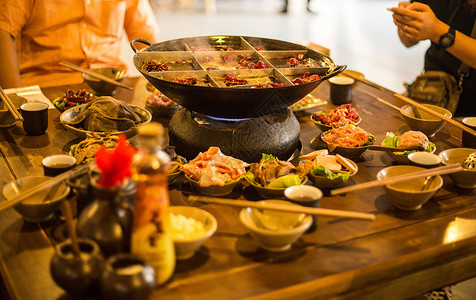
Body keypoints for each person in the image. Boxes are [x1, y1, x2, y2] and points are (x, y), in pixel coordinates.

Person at [0, 0, 160, 89]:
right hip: (46, 82)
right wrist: (16, 96)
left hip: (113, 83)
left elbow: (145, 35)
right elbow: (3, 32)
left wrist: (161, 85)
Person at [390, 1, 476, 117]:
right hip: (430, 94)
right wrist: (406, 21)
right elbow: (407, 41)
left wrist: (438, 32)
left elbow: (434, 30)